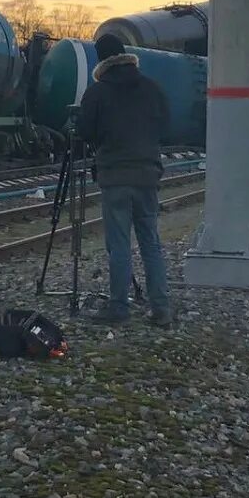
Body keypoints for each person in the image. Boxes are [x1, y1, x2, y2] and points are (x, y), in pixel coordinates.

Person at [76, 34, 172, 327]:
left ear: (101, 60)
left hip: (115, 176)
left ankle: (119, 308)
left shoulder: (97, 93)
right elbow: (166, 126)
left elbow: (84, 132)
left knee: (119, 245)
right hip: (147, 175)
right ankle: (161, 308)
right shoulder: (152, 89)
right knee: (150, 243)